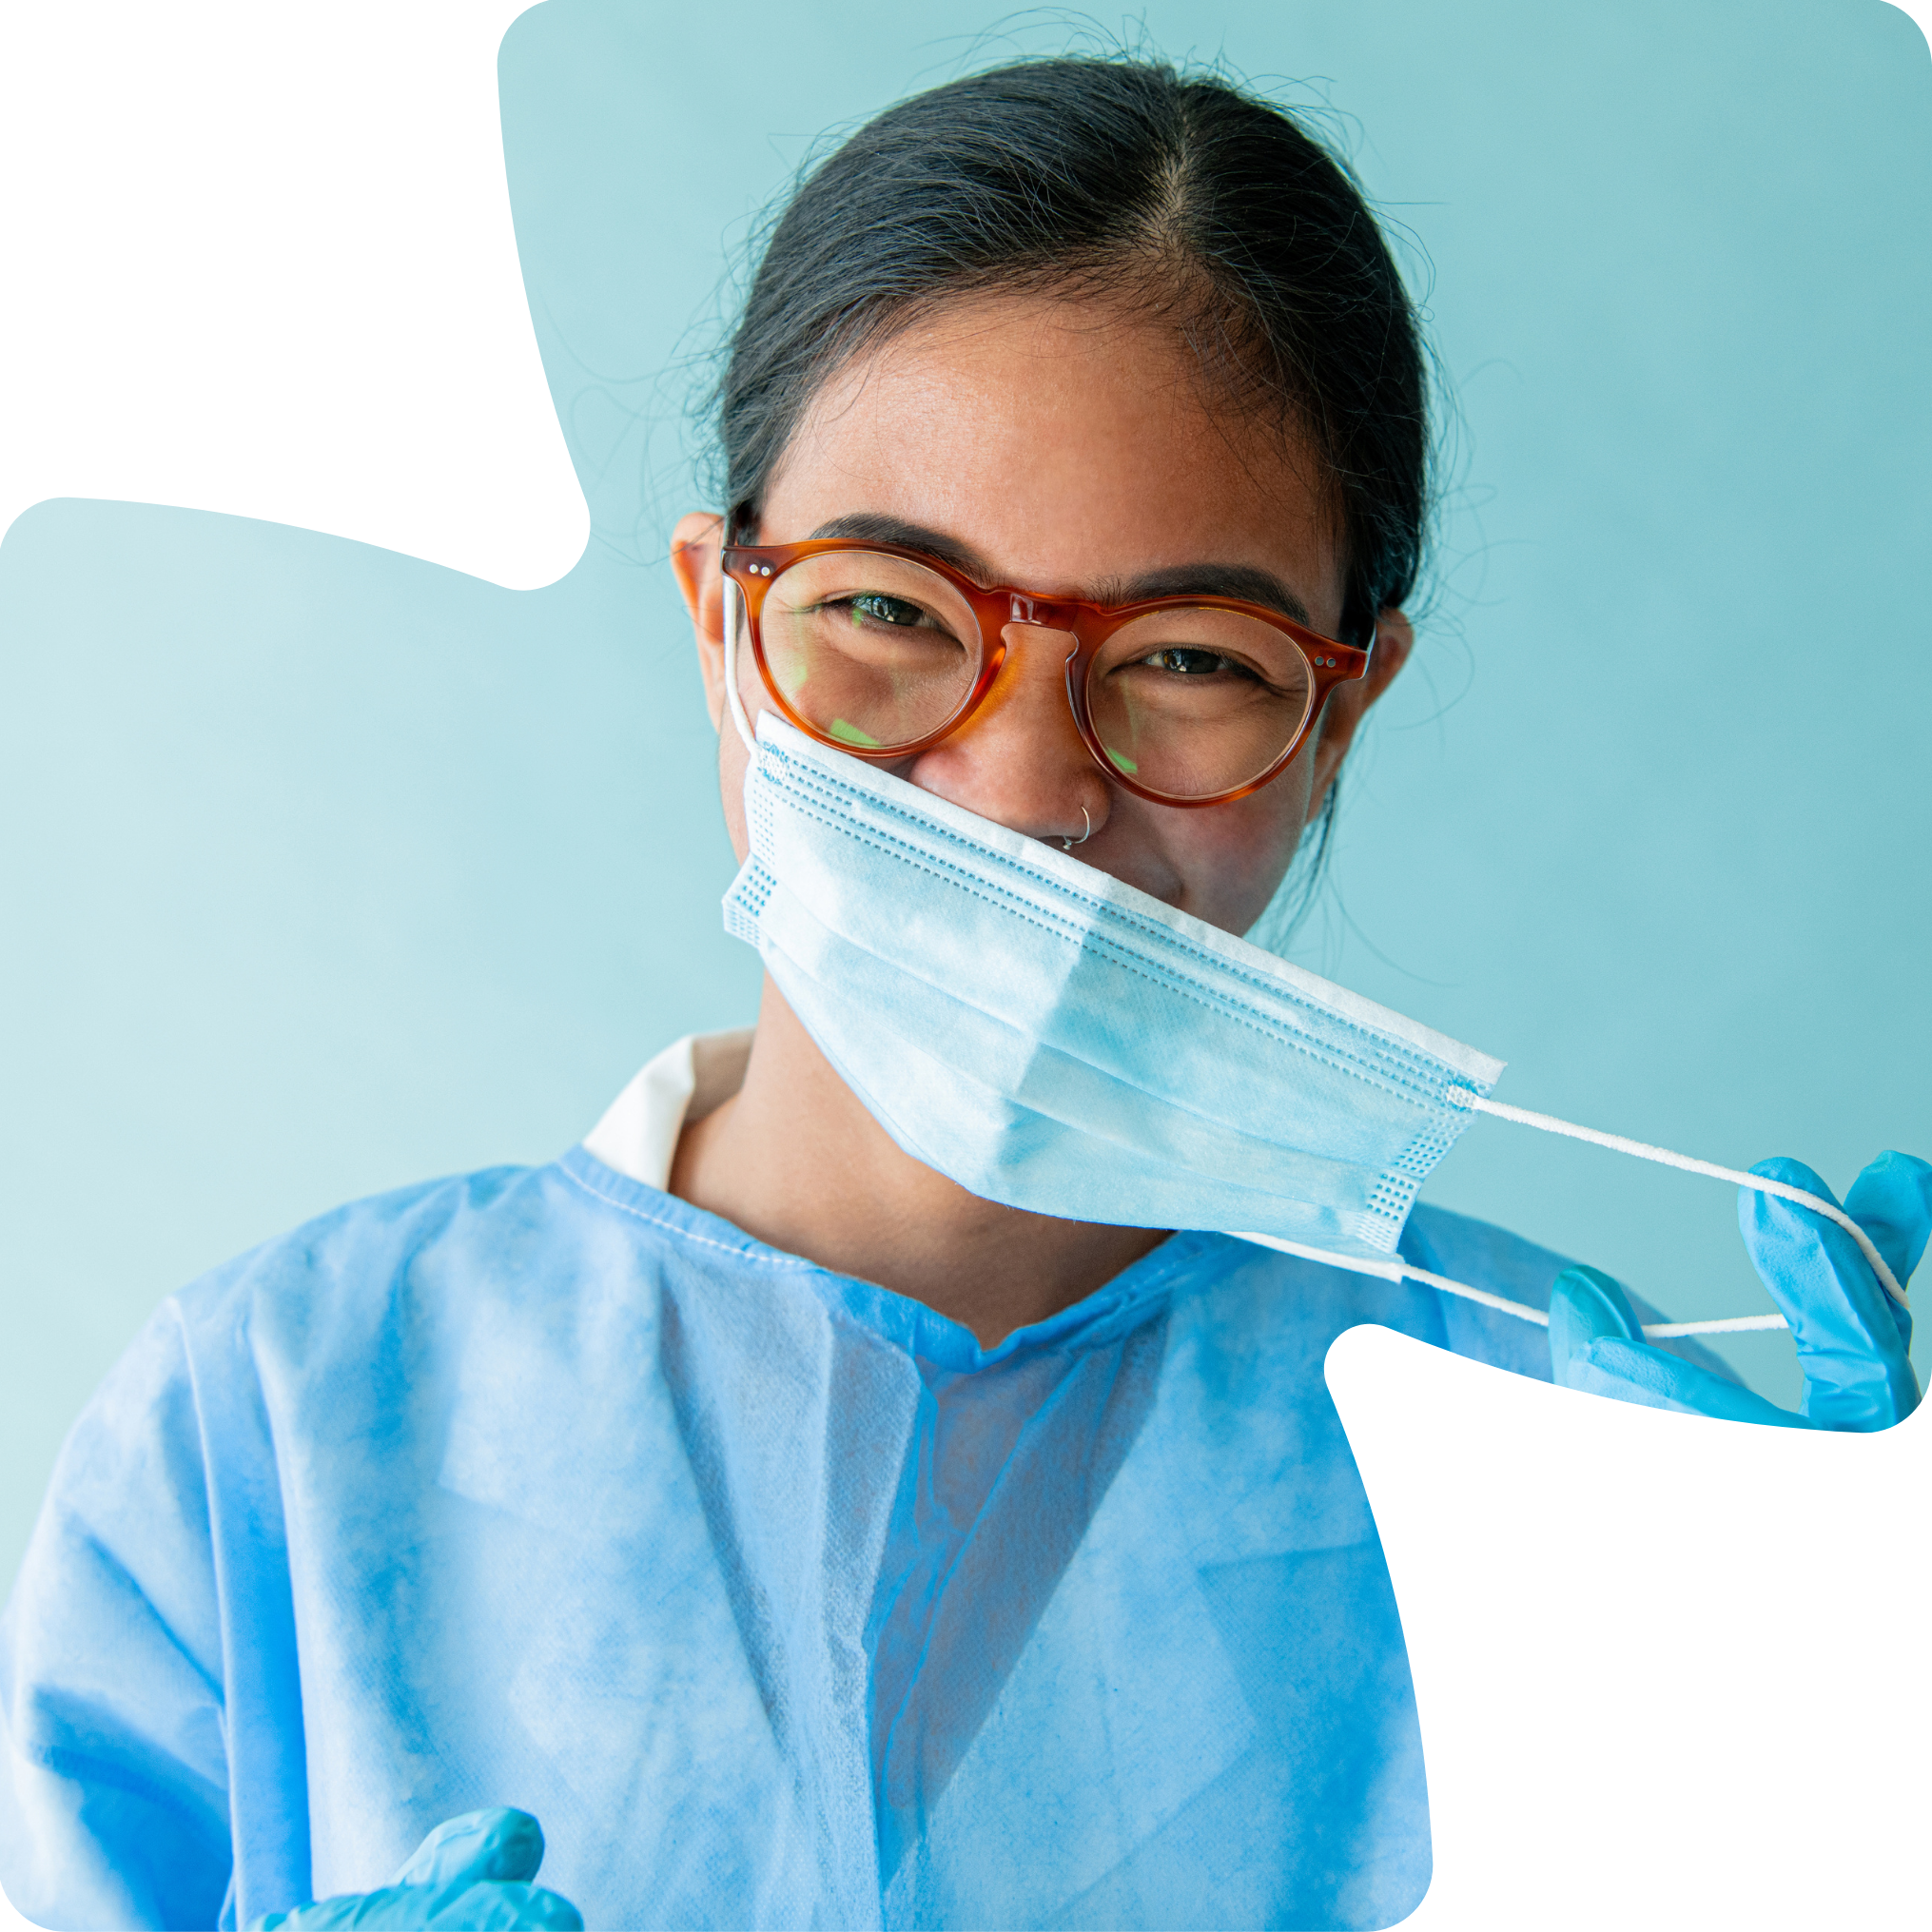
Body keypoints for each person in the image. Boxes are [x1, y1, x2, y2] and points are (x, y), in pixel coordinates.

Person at [1, 52, 1922, 1932]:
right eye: (893, 612)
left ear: (1339, 715)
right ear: (716, 625)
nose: (1021, 794)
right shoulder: (273, 1414)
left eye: (1185, 658)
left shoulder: (1550, 1395)